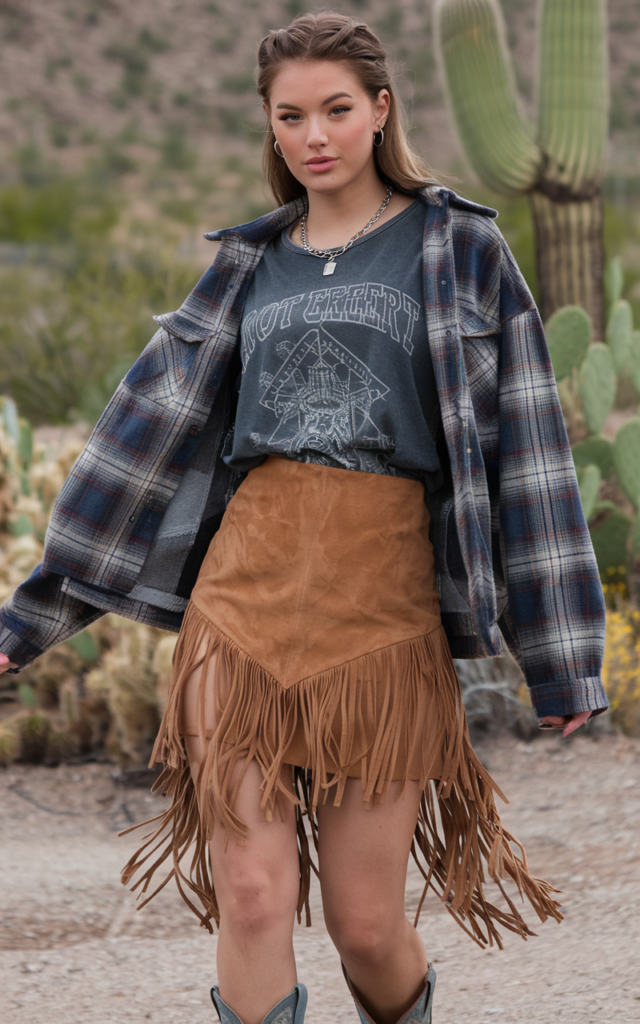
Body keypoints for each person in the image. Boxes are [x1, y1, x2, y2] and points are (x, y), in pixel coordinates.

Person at [0, 12, 607, 1024]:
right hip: (240, 605)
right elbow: (138, 444)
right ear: (269, 129)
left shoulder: (458, 246)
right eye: (290, 115)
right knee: (250, 896)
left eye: (335, 109)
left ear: (380, 110)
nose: (313, 134)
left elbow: (530, 454)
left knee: (364, 921)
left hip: (381, 614)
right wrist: (28, 620)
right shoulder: (246, 264)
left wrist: (561, 656)